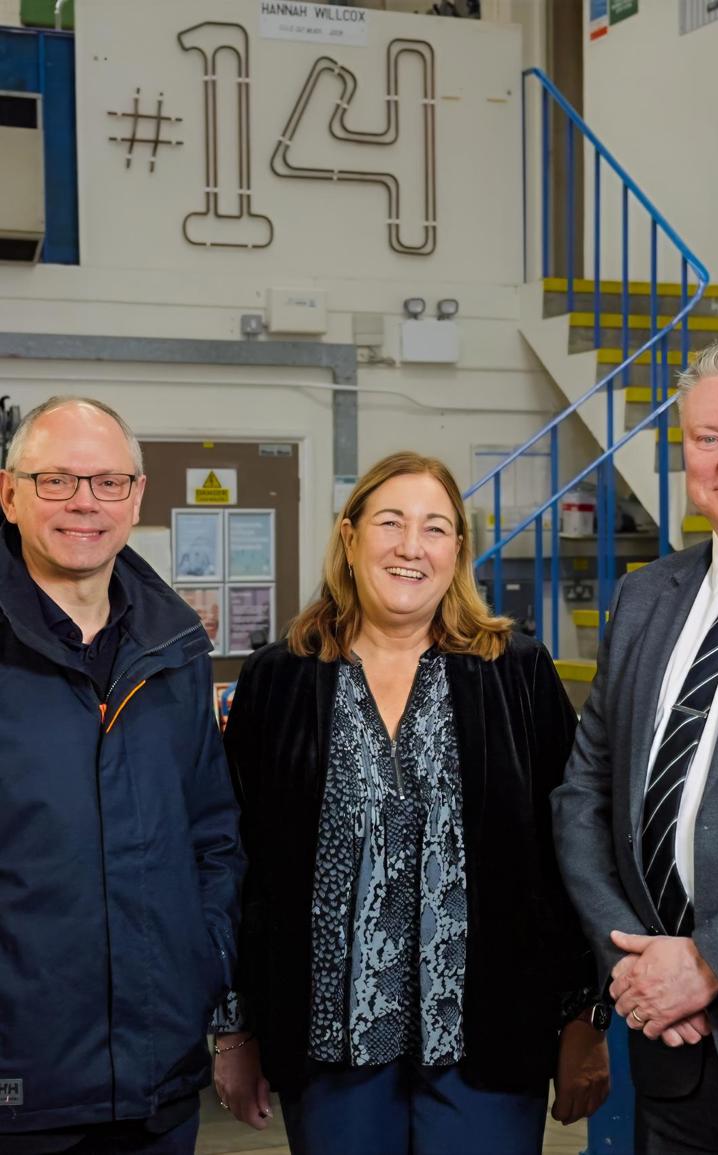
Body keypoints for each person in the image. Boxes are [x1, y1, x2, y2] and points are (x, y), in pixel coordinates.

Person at [213, 451, 609, 1155]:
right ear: (349, 535)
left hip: (487, 1046)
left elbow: (569, 852)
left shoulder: (514, 672)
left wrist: (585, 1015)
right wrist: (235, 1027)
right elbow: (244, 867)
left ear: (457, 549)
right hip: (329, 1051)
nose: (409, 546)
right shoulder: (279, 680)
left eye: (435, 527)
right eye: (390, 522)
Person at [551, 337, 718, 1153]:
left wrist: (713, 961)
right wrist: (634, 958)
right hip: (667, 1045)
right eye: (708, 439)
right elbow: (584, 793)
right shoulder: (646, 595)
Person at [0, 397, 245, 1154]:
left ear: (136, 497)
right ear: (8, 494)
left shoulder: (176, 650)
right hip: (18, 1086)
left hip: (155, 1084)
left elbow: (214, 836)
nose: (84, 502)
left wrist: (201, 965)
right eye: (56, 481)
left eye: (107, 481)